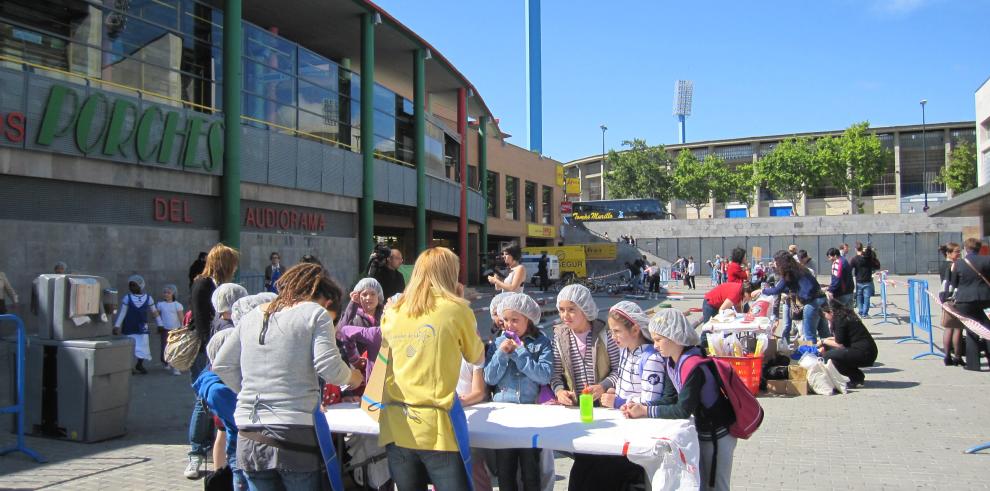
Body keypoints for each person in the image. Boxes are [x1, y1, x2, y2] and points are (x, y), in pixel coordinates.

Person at [212, 263, 363, 490]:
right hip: (294, 435)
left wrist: (250, 391)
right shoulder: (316, 313)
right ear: (327, 301)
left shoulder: (253, 315)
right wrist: (354, 377)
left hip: (249, 433)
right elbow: (328, 367)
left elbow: (222, 364)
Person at [378, 247, 485, 490]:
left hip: (396, 422)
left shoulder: (393, 311)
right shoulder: (456, 309)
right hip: (438, 427)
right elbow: (477, 356)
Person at [622, 309, 738, 491]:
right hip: (702, 431)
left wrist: (645, 411)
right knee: (700, 485)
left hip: (719, 433)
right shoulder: (672, 361)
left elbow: (682, 410)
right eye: (653, 339)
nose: (655, 345)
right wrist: (641, 406)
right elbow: (669, 399)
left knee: (716, 486)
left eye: (659, 339)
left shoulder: (692, 365)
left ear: (674, 337)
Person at [549, 284, 620, 491]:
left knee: (603, 459)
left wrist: (603, 386)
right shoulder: (560, 336)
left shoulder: (604, 334)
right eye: (561, 310)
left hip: (605, 410)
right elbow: (556, 373)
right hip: (577, 411)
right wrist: (560, 391)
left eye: (571, 309)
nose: (566, 315)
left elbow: (618, 370)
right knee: (584, 458)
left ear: (585, 308)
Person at [484, 293, 552, 491]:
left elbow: (544, 376)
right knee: (505, 470)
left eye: (515, 320)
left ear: (528, 319)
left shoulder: (541, 342)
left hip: (529, 412)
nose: (509, 325)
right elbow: (489, 378)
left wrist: (520, 353)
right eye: (505, 320)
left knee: (531, 469)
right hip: (503, 414)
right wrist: (502, 354)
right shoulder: (497, 342)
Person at [185, 243, 239, 479]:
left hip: (220, 350)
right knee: (202, 401)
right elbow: (202, 322)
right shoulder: (203, 283)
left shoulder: (221, 285)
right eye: (233, 264)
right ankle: (195, 453)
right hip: (207, 352)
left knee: (213, 404)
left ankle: (207, 447)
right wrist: (213, 353)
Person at [206, 282, 249, 479]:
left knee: (221, 432)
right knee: (227, 433)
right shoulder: (230, 329)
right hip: (228, 386)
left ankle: (219, 472)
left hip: (220, 384)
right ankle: (224, 474)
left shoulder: (217, 322)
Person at [753, 250, 828, 343]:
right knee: (825, 334)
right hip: (822, 299)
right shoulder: (800, 268)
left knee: (809, 336)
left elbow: (777, 290)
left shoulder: (788, 272)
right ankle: (831, 355)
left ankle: (812, 356)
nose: (774, 264)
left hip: (812, 303)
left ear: (781, 262)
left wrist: (761, 291)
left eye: (776, 262)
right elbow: (791, 288)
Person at [818, 299, 878, 388]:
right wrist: (828, 339)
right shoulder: (845, 316)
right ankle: (857, 377)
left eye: (824, 314)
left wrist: (823, 341)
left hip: (863, 352)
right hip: (868, 351)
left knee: (827, 356)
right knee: (834, 355)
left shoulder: (840, 320)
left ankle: (856, 377)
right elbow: (842, 338)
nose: (825, 317)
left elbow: (840, 344)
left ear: (830, 312)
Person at [952, 238, 990, 372]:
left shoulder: (959, 263)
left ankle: (973, 365)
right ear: (979, 248)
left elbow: (954, 283)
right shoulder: (987, 260)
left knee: (971, 331)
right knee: (987, 330)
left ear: (966, 249)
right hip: (985, 299)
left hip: (965, 301)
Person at [113, 274, 163, 375]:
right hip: (130, 325)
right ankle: (129, 366)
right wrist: (116, 325)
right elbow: (122, 312)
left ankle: (139, 364)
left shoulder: (149, 298)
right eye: (130, 285)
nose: (132, 288)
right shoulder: (127, 298)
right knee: (130, 347)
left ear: (140, 285)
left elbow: (154, 312)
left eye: (134, 285)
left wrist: (160, 324)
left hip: (142, 326)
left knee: (143, 346)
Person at [337, 278, 385, 381]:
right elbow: (342, 332)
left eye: (373, 294)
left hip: (383, 368)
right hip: (359, 371)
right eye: (364, 294)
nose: (368, 298)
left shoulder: (386, 315)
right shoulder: (352, 315)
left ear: (379, 296)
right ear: (358, 297)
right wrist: (352, 304)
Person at [938, 243, 964, 366]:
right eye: (956, 252)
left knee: (948, 327)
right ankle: (958, 356)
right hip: (954, 298)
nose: (959, 254)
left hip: (945, 298)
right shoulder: (953, 265)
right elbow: (955, 283)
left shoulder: (943, 265)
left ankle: (947, 355)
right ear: (948, 253)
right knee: (957, 328)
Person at [156, 284, 184, 375]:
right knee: (165, 347)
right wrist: (159, 326)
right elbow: (157, 316)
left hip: (175, 330)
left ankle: (176, 367)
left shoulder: (177, 305)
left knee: (175, 348)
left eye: (169, 293)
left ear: (173, 294)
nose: (166, 294)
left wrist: (183, 327)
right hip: (165, 330)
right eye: (165, 292)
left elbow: (181, 317)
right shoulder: (160, 305)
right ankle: (167, 362)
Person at [849, 242, 880, 317]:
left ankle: (860, 310)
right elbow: (876, 265)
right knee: (867, 298)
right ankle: (865, 313)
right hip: (868, 280)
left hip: (859, 281)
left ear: (855, 249)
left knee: (859, 296)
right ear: (862, 248)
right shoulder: (868, 258)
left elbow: (849, 269)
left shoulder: (854, 259)